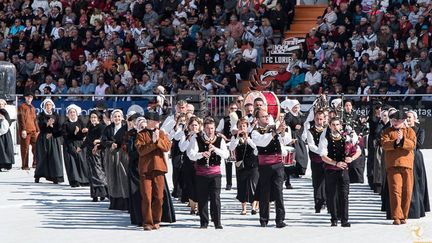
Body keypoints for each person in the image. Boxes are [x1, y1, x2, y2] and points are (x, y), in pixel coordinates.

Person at [252, 108, 291, 228]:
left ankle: (280, 219)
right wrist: (275, 132)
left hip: (278, 164)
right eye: (263, 116)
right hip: (264, 165)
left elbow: (286, 141)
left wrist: (283, 132)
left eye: (267, 115)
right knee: (265, 192)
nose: (266, 117)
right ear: (257, 119)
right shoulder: (255, 131)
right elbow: (262, 142)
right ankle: (264, 219)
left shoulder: (274, 127)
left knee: (279, 191)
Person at [187, 117, 229, 229]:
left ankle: (217, 222)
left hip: (215, 173)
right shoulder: (196, 138)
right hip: (201, 173)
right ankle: (204, 222)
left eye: (212, 128)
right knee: (202, 198)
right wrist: (201, 154)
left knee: (215, 198)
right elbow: (190, 154)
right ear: (204, 128)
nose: (210, 131)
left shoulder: (220, 139)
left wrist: (215, 149)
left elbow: (226, 155)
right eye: (207, 128)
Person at [319, 117, 361, 227]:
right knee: (332, 195)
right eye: (333, 124)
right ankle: (333, 218)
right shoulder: (325, 138)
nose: (335, 127)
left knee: (344, 195)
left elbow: (357, 151)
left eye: (337, 124)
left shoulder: (346, 138)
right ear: (329, 126)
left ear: (340, 126)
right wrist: (335, 163)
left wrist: (351, 159)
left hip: (343, 171)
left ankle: (344, 219)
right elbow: (323, 156)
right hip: (331, 171)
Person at [135, 110, 172, 231]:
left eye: (155, 121)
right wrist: (153, 143)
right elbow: (141, 151)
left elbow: (167, 147)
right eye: (151, 121)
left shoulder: (162, 133)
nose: (154, 123)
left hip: (159, 168)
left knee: (159, 197)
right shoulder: (141, 134)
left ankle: (157, 220)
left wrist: (158, 141)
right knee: (146, 196)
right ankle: (147, 222)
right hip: (145, 170)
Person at [381, 110, 416, 225]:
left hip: (407, 165)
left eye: (398, 120)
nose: (395, 122)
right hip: (393, 165)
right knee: (395, 191)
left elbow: (412, 145)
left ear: (403, 121)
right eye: (393, 120)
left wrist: (403, 141)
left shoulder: (410, 131)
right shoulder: (387, 131)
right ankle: (396, 216)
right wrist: (396, 142)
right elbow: (385, 145)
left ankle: (404, 216)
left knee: (407, 191)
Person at [100, 109, 129, 210]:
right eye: (115, 116)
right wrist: (110, 144)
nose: (117, 118)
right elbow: (103, 141)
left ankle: (125, 201)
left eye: (118, 116)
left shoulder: (125, 128)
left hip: (123, 154)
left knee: (123, 176)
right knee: (113, 177)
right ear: (111, 118)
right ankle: (115, 202)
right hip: (112, 155)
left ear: (122, 117)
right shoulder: (108, 129)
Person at [229, 118, 259, 215]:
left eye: (244, 126)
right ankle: (244, 208)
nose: (242, 128)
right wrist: (238, 138)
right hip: (241, 164)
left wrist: (248, 139)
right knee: (242, 185)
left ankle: (254, 206)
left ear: (247, 127)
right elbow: (231, 148)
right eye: (240, 126)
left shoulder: (253, 135)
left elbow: (256, 147)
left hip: (253, 163)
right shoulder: (235, 136)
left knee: (253, 185)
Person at [405, 110, 430, 219]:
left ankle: (420, 205)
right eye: (407, 117)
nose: (408, 119)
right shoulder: (403, 130)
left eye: (410, 117)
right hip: (406, 157)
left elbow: (419, 144)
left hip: (416, 158)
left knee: (419, 181)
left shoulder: (420, 130)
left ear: (415, 119)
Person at [34, 98, 64, 184]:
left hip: (53, 138)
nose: (48, 106)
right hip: (43, 138)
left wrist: (52, 127)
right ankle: (38, 175)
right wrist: (47, 124)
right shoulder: (41, 115)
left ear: (52, 106)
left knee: (54, 157)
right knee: (42, 157)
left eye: (49, 105)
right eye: (46, 105)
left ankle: (55, 176)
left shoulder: (56, 115)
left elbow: (59, 127)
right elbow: (40, 126)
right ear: (44, 106)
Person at [80, 110, 107, 202]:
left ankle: (103, 192)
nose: (93, 119)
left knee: (99, 172)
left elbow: (102, 138)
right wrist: (81, 147)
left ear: (99, 118)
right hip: (90, 152)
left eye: (95, 117)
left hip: (98, 152)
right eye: (91, 117)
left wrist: (97, 144)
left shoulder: (102, 127)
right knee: (92, 173)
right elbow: (88, 139)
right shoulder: (91, 127)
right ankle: (95, 195)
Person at [281, 99, 307, 189]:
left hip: (298, 138)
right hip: (291, 137)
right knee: (293, 157)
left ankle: (297, 172)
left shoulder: (300, 115)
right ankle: (288, 177)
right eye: (294, 107)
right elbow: (285, 125)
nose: (296, 109)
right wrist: (293, 127)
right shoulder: (289, 115)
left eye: (297, 107)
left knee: (301, 156)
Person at [62, 104, 89, 187]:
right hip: (69, 144)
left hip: (80, 144)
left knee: (82, 162)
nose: (72, 114)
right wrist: (74, 134)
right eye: (70, 112)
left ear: (76, 113)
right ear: (68, 114)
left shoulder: (81, 122)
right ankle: (74, 180)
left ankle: (84, 180)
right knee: (72, 163)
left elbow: (84, 135)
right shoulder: (65, 124)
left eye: (74, 112)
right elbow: (65, 136)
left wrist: (80, 133)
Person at [178, 116, 201, 214]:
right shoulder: (185, 135)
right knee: (190, 184)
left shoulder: (202, 135)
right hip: (188, 162)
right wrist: (189, 138)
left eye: (196, 125)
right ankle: (192, 206)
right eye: (192, 125)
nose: (194, 127)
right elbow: (182, 148)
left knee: (199, 184)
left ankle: (200, 206)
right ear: (189, 126)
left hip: (199, 161)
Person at [216, 102, 241, 190]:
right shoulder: (224, 120)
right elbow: (218, 131)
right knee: (228, 164)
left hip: (238, 143)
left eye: (235, 109)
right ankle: (229, 183)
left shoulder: (240, 120)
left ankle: (239, 184)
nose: (233, 110)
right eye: (231, 108)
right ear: (229, 110)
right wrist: (223, 136)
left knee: (238, 164)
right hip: (228, 142)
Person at [305, 111, 326, 213]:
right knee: (317, 182)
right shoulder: (311, 131)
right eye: (317, 119)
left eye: (321, 119)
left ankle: (325, 200)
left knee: (326, 181)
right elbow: (311, 145)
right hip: (316, 159)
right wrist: (320, 151)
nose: (319, 121)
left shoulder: (327, 130)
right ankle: (318, 203)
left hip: (327, 160)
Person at [126, 113, 145, 225]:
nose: (142, 129)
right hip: (135, 168)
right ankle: (138, 218)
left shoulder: (149, 136)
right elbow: (131, 153)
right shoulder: (132, 137)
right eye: (140, 127)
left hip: (146, 168)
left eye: (144, 127)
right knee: (136, 194)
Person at [17, 90, 39, 170]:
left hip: (33, 130)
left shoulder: (33, 107)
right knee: (25, 148)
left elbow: (35, 119)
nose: (29, 98)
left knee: (36, 148)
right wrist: (23, 129)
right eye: (28, 97)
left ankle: (35, 163)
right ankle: (25, 165)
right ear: (25, 97)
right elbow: (21, 119)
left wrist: (37, 130)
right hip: (26, 130)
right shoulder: (21, 106)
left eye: (31, 97)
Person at [0, 99, 15, 171]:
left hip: (5, 133)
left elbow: (9, 121)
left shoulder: (5, 112)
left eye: (2, 104)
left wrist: (3, 120)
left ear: (4, 105)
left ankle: (6, 164)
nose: (0, 105)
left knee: (6, 148)